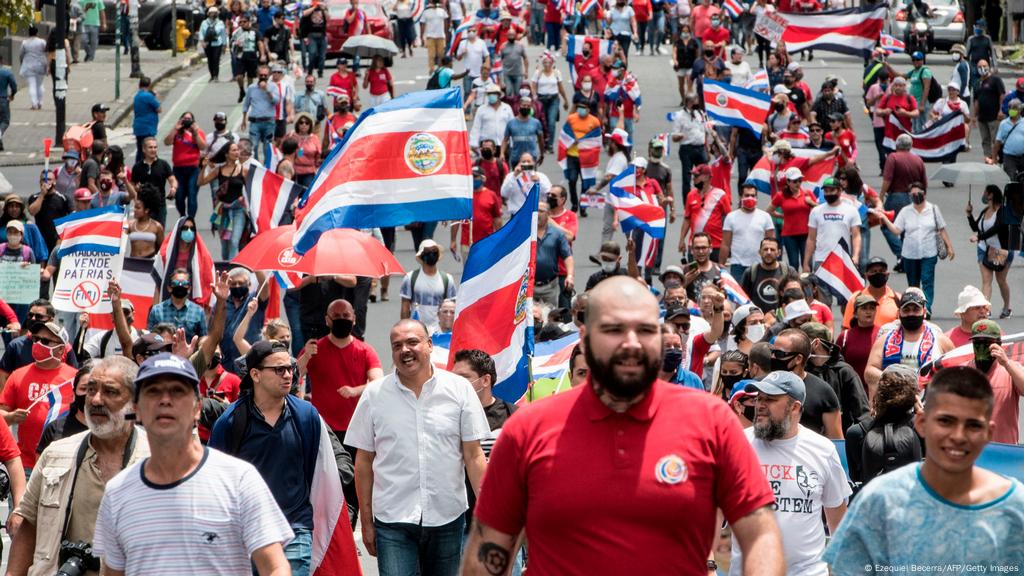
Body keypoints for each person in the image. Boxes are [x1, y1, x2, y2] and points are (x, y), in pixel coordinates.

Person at [463, 276, 784, 575]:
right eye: (614, 329)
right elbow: (489, 549)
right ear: (585, 338)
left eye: (644, 330)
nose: (631, 342)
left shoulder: (713, 423)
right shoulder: (527, 430)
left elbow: (760, 534)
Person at [91, 353, 293, 575]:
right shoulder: (117, 493)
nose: (165, 400)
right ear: (137, 410)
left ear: (197, 408)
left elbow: (275, 566)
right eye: (153, 391)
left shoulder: (239, 479)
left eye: (177, 391)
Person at [823, 366, 1024, 572]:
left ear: (989, 433)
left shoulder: (1016, 506)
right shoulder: (878, 500)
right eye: (945, 421)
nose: (958, 436)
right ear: (921, 423)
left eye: (973, 425)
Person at [346, 319, 489, 574]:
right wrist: (366, 522)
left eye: (412, 342)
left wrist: (492, 513)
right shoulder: (374, 395)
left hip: (447, 517)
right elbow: (364, 460)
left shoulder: (459, 390)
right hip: (393, 521)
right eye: (397, 345)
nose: (405, 350)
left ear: (430, 345)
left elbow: (474, 455)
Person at [211, 340, 356, 575]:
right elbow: (215, 481)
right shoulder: (230, 422)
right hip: (245, 535)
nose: (288, 375)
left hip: (295, 531)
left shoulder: (307, 415)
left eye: (290, 368)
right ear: (255, 375)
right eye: (279, 370)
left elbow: (319, 465)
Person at [732, 370, 850, 575]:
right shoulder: (737, 444)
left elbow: (838, 521)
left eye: (770, 399)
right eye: (759, 398)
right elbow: (711, 513)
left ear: (795, 407)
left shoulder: (822, 449)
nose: (760, 405)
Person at [0, 321, 78, 472]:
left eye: (45, 341)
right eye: (36, 339)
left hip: (64, 465)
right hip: (26, 465)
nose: (38, 344)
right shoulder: (18, 375)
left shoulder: (74, 379)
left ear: (61, 349)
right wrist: (10, 417)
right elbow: (1, 413)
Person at [873, 182, 954, 312]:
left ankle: (927, 308)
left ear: (925, 194)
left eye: (919, 193)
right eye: (913, 194)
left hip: (929, 252)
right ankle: (916, 306)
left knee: (927, 280)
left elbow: (942, 228)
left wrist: (949, 247)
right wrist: (885, 218)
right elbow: (896, 230)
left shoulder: (933, 209)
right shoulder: (906, 211)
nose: (916, 196)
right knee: (913, 283)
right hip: (910, 254)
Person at [864, 288, 955, 396]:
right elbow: (869, 371)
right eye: (906, 310)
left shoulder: (941, 340)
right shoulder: (884, 340)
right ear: (899, 313)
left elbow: (956, 372)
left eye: (916, 309)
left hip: (928, 407)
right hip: (893, 406)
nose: (911, 314)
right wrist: (896, 381)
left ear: (924, 312)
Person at [843, 363, 922, 486]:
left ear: (879, 393)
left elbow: (856, 477)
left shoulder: (856, 433)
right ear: (915, 396)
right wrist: (922, 414)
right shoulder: (924, 430)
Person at [771, 328, 843, 439]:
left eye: (779, 353)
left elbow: (836, 440)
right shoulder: (761, 386)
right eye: (771, 352)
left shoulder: (823, 392)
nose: (773, 357)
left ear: (798, 359)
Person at [802, 322, 870, 432]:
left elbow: (863, 414)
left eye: (803, 342)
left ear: (816, 343)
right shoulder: (801, 370)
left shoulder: (844, 372)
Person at [965, 319, 1024, 445]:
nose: (982, 347)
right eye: (977, 343)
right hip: (973, 449)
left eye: (987, 343)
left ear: (999, 344)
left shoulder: (1011, 369)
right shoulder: (964, 372)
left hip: (1004, 449)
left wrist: (1006, 363)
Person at [967, 185, 1013, 318]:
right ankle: (986, 309)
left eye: (985, 193)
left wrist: (979, 237)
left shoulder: (1002, 211)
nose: (983, 195)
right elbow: (975, 227)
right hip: (984, 249)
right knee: (986, 281)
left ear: (991, 195)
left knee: (1001, 280)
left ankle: (1007, 307)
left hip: (1000, 251)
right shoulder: (985, 210)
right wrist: (969, 214)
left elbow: (997, 228)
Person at [804, 176, 861, 275]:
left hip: (843, 260)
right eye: (826, 191)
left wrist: (855, 256)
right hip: (821, 259)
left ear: (839, 191)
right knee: (821, 290)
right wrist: (806, 262)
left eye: (832, 190)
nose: (829, 193)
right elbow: (811, 238)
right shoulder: (816, 211)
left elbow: (856, 236)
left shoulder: (851, 210)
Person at [399, 240, 458, 334]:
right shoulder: (410, 278)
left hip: (440, 332)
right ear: (422, 256)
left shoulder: (447, 279)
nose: (431, 255)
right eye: (428, 253)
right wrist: (404, 329)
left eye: (434, 252)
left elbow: (452, 309)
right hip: (417, 329)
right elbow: (405, 307)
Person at [720, 183, 774, 281]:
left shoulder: (765, 217)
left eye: (753, 196)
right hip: (738, 265)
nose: (750, 198)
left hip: (760, 264)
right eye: (747, 195)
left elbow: (772, 243)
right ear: (741, 197)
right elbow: (725, 244)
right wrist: (721, 265)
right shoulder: (731, 217)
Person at [36, 363, 93, 454]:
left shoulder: (111, 431)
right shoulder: (55, 429)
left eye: (92, 390)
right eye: (83, 389)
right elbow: (41, 465)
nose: (88, 395)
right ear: (74, 393)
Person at [679, 164, 730, 260]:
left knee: (715, 274)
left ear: (706, 177)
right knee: (694, 274)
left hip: (715, 245)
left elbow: (729, 220)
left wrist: (728, 244)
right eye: (693, 176)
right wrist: (682, 240)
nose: (693, 179)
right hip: (695, 245)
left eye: (696, 176)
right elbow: (687, 219)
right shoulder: (691, 195)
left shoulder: (720, 195)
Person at [163, 111, 207, 220]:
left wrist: (195, 132)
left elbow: (202, 146)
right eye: (184, 119)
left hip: (193, 169)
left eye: (189, 119)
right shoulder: (177, 132)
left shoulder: (198, 132)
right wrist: (175, 129)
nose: (187, 121)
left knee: (192, 194)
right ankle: (182, 217)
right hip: (178, 169)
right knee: (179, 196)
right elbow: (167, 142)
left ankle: (191, 219)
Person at [533, 200, 574, 307]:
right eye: (535, 211)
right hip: (529, 286)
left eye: (541, 211)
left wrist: (569, 276)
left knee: (550, 317)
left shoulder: (557, 234)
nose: (537, 214)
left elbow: (567, 256)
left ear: (548, 214)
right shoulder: (526, 234)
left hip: (549, 286)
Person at [147, 269, 208, 342]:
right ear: (169, 288)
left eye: (184, 283)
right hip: (163, 352)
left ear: (189, 289)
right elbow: (149, 337)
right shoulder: (156, 310)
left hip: (189, 353)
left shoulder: (198, 311)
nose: (180, 285)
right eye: (175, 283)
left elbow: (203, 338)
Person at [841, 257, 899, 330]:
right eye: (873, 271)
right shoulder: (856, 298)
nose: (878, 273)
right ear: (866, 275)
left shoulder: (897, 299)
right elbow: (846, 328)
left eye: (881, 271)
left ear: (887, 274)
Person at [837, 294, 881, 390]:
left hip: (877, 392)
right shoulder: (844, 337)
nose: (868, 312)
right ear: (855, 314)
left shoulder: (883, 334)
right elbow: (836, 366)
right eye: (864, 308)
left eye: (872, 308)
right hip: (851, 392)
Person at [129, 137, 174, 228]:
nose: (153, 150)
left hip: (160, 205)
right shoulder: (137, 167)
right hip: (143, 206)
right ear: (144, 149)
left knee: (159, 231)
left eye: (155, 147)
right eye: (150, 147)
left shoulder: (163, 164)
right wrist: (136, 189)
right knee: (144, 232)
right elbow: (132, 184)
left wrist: (173, 187)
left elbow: (172, 179)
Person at [242, 65, 280, 163]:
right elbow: (246, 104)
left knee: (267, 148)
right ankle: (255, 166)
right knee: (253, 146)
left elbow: (276, 101)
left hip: (269, 122)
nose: (263, 77)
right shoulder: (251, 88)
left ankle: (267, 167)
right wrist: (244, 120)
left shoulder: (273, 86)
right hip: (255, 122)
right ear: (257, 75)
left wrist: (267, 90)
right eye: (261, 75)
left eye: (265, 75)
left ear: (269, 75)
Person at [740, 237, 789, 314]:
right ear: (759, 252)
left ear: (779, 252)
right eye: (765, 249)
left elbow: (797, 297)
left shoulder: (788, 271)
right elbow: (742, 300)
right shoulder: (750, 272)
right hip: (757, 320)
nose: (769, 252)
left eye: (772, 249)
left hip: (783, 320)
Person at [973, 60, 1005, 159]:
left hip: (994, 117)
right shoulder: (977, 83)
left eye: (984, 66)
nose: (982, 68)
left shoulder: (995, 80)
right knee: (985, 140)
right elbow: (976, 100)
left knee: (996, 139)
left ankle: (998, 159)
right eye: (980, 66)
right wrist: (974, 116)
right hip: (982, 118)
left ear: (988, 66)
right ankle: (988, 158)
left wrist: (1001, 110)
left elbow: (1002, 95)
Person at [503, 95, 544, 167]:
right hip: (516, 158)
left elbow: (540, 139)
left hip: (531, 158)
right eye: (524, 105)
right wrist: (502, 153)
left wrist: (542, 154)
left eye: (528, 106)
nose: (526, 107)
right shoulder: (511, 123)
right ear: (519, 106)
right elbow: (505, 140)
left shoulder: (536, 123)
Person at [131, 76, 161, 161]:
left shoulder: (137, 96)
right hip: (148, 128)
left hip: (139, 127)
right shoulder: (148, 96)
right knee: (149, 150)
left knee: (140, 150)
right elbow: (159, 109)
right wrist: (155, 97)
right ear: (149, 85)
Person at [18, 25, 47, 111]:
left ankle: (34, 104)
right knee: (40, 85)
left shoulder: (25, 43)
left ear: (29, 33)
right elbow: (46, 52)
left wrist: (22, 63)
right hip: (40, 65)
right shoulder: (42, 42)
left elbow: (21, 54)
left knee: (32, 85)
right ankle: (40, 102)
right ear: (37, 33)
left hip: (29, 65)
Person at [994, 98, 1024, 179]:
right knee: (1011, 178)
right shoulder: (1003, 124)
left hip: (1022, 156)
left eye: (1014, 108)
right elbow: (998, 141)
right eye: (1010, 108)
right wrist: (994, 158)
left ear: (1020, 110)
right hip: (1009, 156)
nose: (1011, 110)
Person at [199, 7, 227, 81]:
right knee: (210, 60)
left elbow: (223, 34)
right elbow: (201, 33)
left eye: (215, 13)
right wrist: (202, 42)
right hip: (207, 43)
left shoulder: (220, 23)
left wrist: (224, 44)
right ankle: (211, 75)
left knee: (216, 59)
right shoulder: (204, 23)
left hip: (217, 43)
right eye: (212, 13)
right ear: (209, 14)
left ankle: (216, 76)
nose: (213, 14)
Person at [0, 54, 16, 151]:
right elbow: (14, 85)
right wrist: (12, 95)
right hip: (2, 99)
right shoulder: (6, 72)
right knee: (5, 121)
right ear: (2, 61)